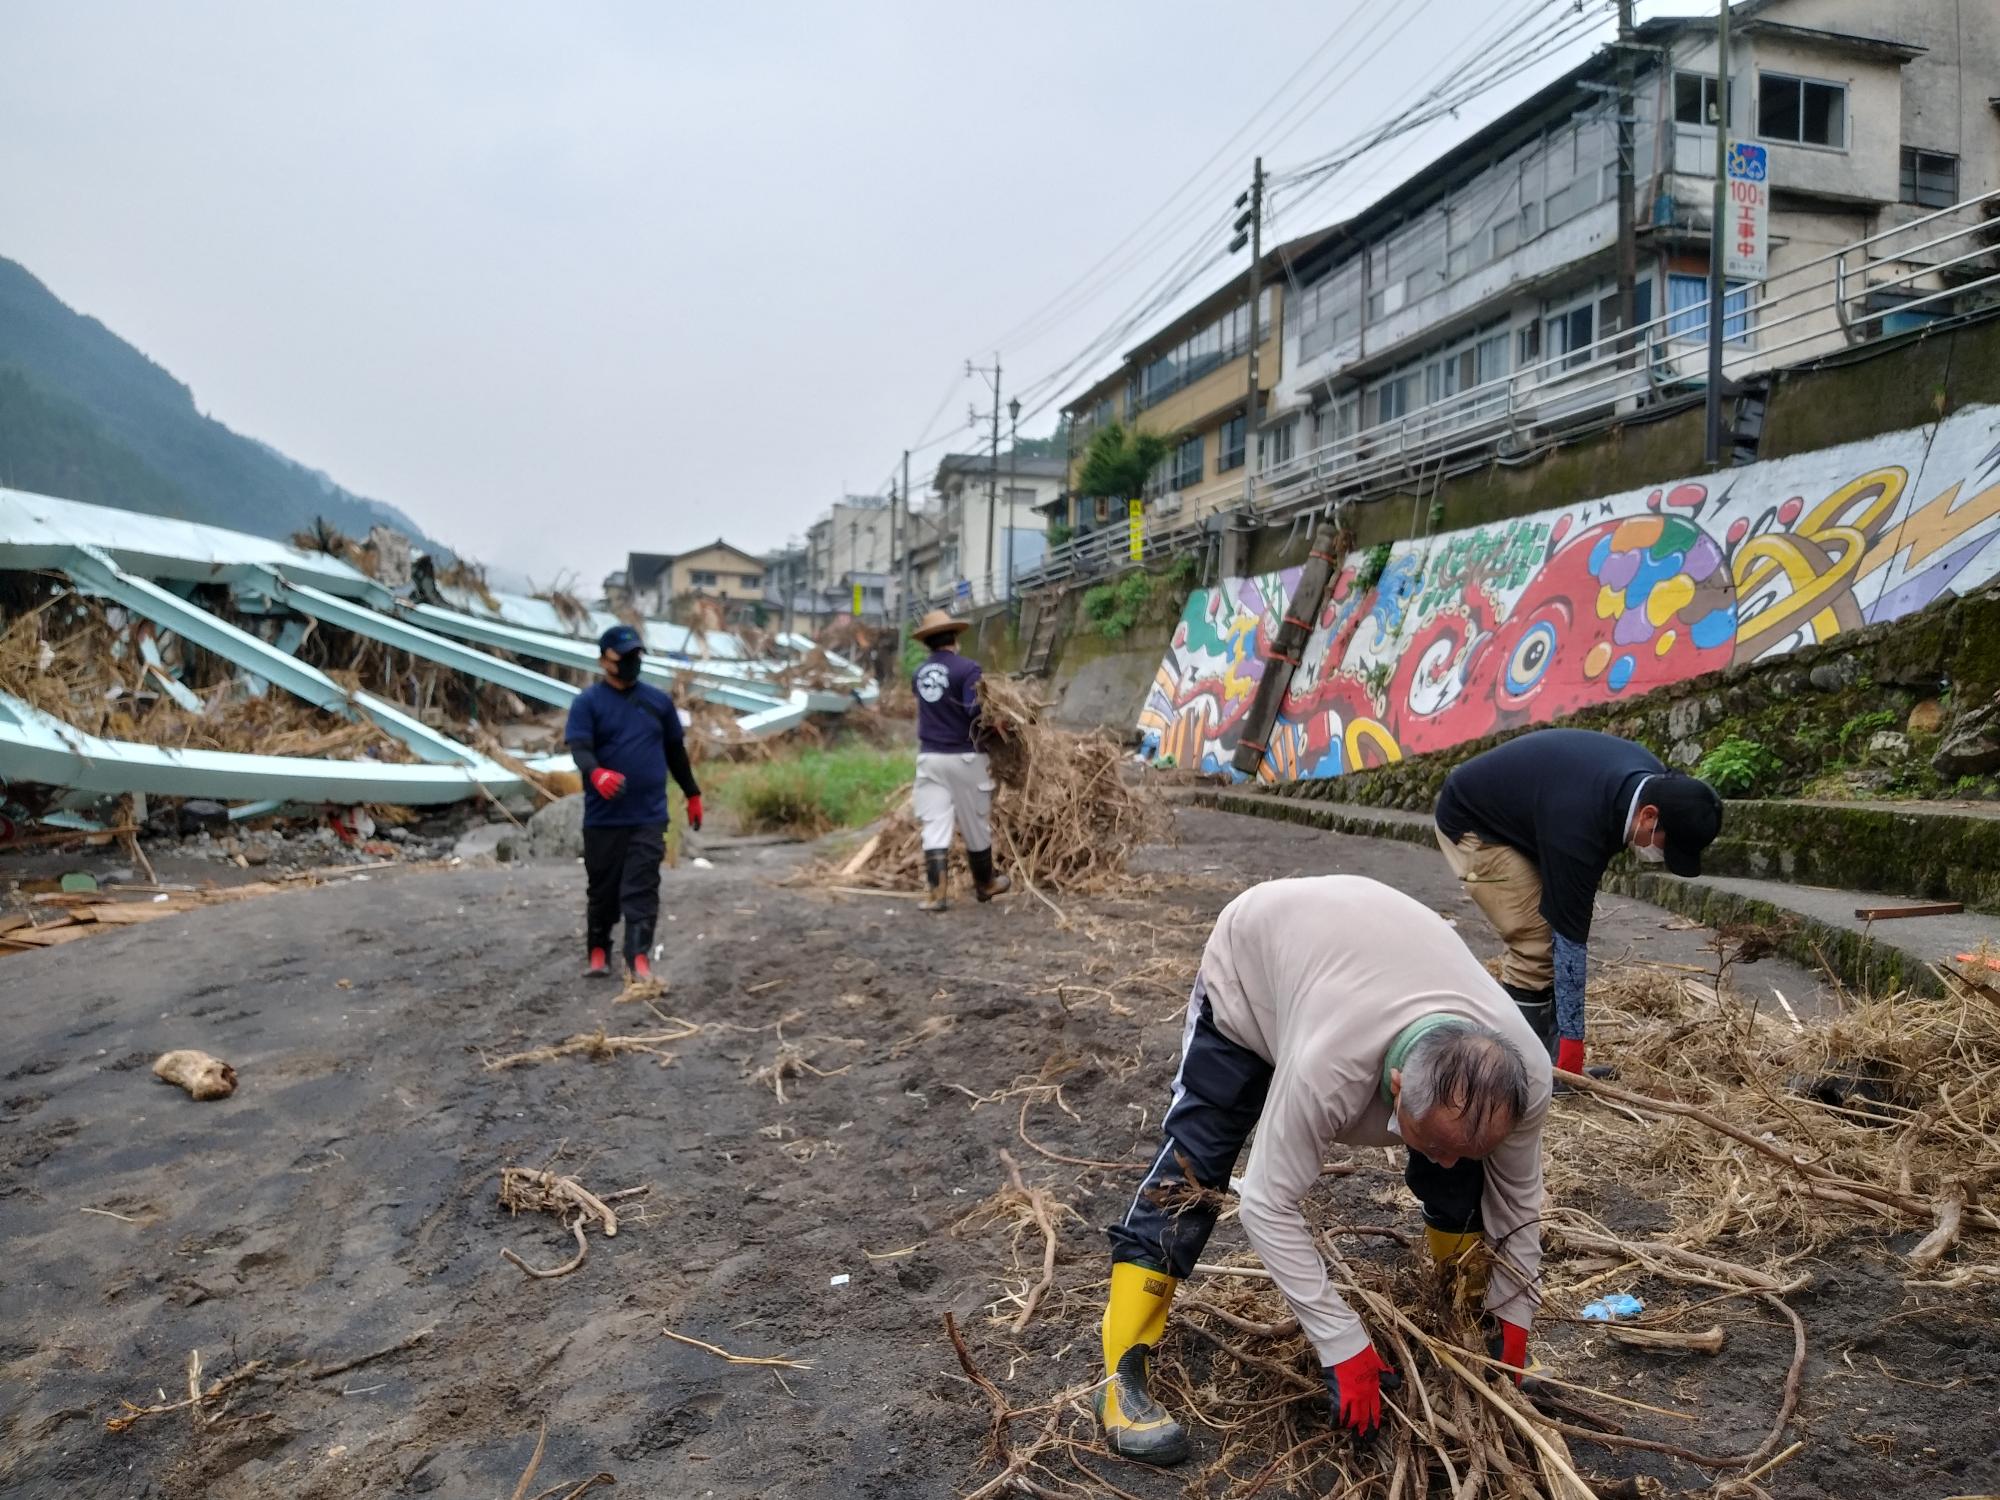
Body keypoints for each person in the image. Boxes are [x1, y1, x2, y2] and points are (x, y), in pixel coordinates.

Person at [1096, 876, 1550, 1465]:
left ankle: (1462, 1321)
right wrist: (1342, 1342)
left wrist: (1513, 1319)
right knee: (1195, 1169)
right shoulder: (1328, 1067)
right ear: (1396, 1088)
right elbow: (1266, 1205)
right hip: (1254, 969)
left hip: (1355, 958)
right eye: (1434, 1142)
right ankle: (1121, 1377)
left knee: (1463, 1180)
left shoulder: (1524, 1075)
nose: (1444, 1155)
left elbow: (1518, 1205)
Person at [1434, 727, 1723, 1074]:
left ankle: (1548, 1064)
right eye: (1666, 844)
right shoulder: (1579, 827)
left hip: (1533, 816)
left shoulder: (1650, 782)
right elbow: (1569, 941)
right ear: (1648, 815)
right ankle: (1515, 1071)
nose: (1660, 854)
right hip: (1473, 823)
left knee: (1552, 937)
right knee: (1535, 944)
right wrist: (1574, 1051)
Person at [563, 624, 702, 982]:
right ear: (604, 661)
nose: (631, 663)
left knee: (642, 886)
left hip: (648, 815)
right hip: (604, 817)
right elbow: (580, 748)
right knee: (603, 890)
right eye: (624, 657)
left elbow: (675, 752)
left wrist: (692, 793)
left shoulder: (658, 702)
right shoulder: (588, 703)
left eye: (636, 656)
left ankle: (638, 958)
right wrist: (596, 774)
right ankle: (598, 949)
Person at [909, 608, 1010, 912]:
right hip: (965, 757)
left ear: (927, 643)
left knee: (934, 824)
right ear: (954, 638)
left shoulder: (918, 674)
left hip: (929, 758)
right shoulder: (968, 669)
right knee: (975, 823)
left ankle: (937, 894)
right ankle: (985, 884)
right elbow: (973, 710)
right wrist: (999, 721)